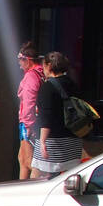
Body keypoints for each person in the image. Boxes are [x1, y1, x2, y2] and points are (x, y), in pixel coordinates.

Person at [32, 51, 83, 179]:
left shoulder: (47, 87)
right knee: (67, 178)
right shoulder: (73, 84)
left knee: (39, 176)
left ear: (49, 66)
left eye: (44, 66)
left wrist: (42, 141)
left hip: (52, 141)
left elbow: (46, 116)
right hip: (73, 139)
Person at [16, 42, 44, 180]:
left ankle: (30, 193)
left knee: (29, 161)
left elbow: (29, 102)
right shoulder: (41, 73)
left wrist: (28, 124)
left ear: (27, 60)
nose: (19, 64)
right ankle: (20, 190)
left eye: (20, 60)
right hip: (32, 121)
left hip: (28, 123)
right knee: (22, 158)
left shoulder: (31, 76)